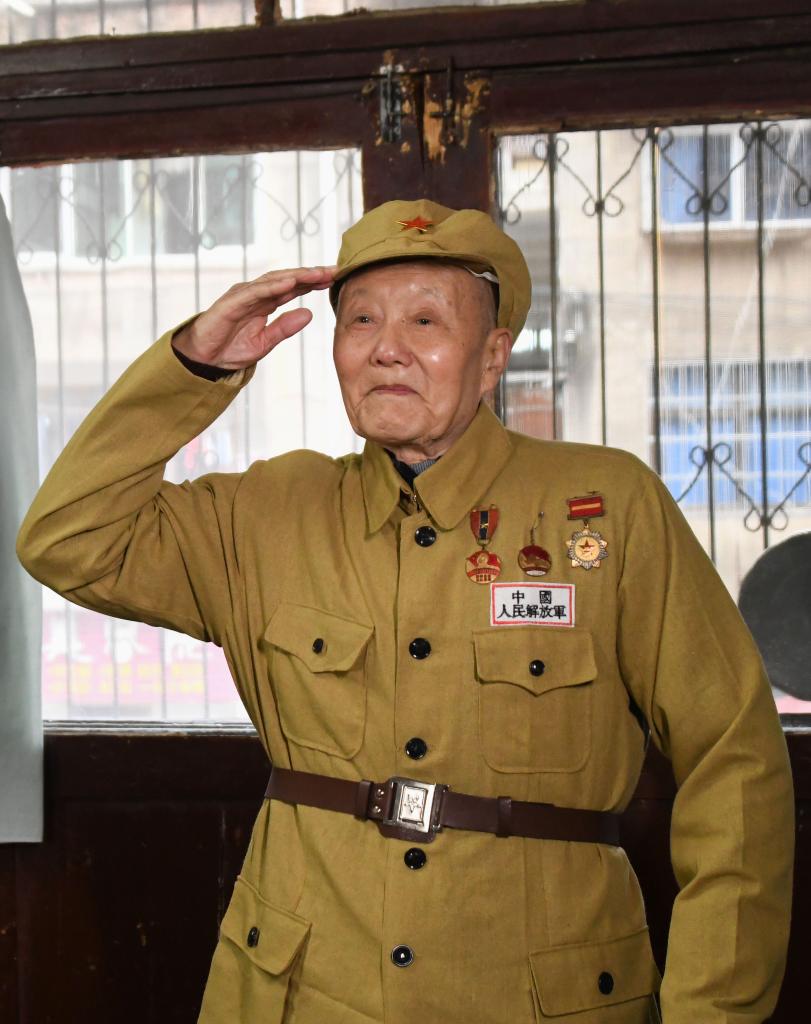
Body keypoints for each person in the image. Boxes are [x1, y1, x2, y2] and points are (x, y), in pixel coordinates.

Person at [17, 199, 794, 1024]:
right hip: (300, 993)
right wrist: (192, 370)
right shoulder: (265, 512)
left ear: (491, 358)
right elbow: (66, 539)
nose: (386, 347)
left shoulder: (606, 506)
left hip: (541, 999)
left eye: (425, 320)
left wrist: (712, 1012)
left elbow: (734, 762)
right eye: (360, 320)